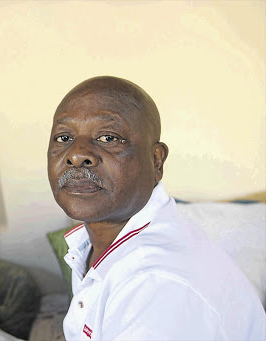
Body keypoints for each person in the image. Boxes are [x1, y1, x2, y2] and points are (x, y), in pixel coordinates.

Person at [47, 76, 265, 340]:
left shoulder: (156, 285)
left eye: (108, 137)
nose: (77, 153)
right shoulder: (97, 243)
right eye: (64, 136)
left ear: (156, 160)